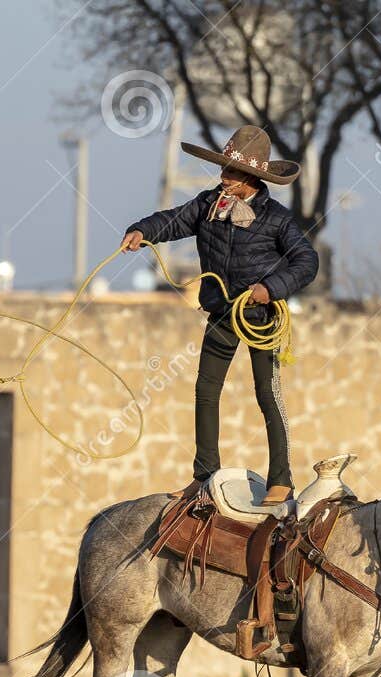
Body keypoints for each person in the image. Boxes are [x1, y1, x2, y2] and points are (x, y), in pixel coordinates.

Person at [121, 126, 319, 505]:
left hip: (262, 315)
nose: (223, 177)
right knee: (206, 390)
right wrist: (141, 230)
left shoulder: (277, 219)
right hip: (222, 312)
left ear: (250, 180)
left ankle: (282, 478)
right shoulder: (208, 205)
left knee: (268, 393)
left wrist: (270, 288)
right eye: (223, 170)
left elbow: (307, 262)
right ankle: (205, 476)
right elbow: (173, 221)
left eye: (230, 173)